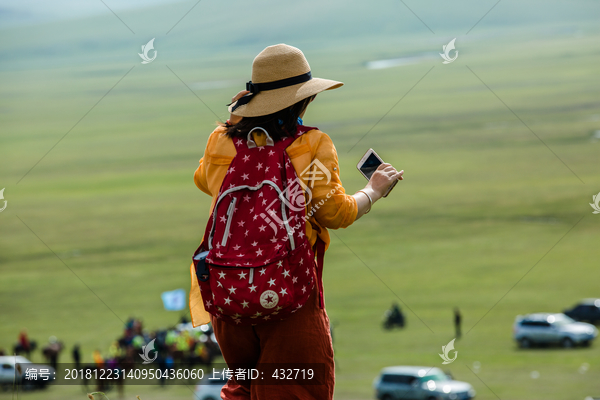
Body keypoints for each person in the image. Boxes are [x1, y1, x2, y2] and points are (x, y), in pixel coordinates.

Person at [188, 44, 403, 400]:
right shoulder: (312, 144)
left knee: (240, 388)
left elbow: (202, 180)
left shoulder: (220, 142)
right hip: (288, 295)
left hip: (228, 295)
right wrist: (374, 191)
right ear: (303, 100)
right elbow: (336, 213)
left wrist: (239, 120)